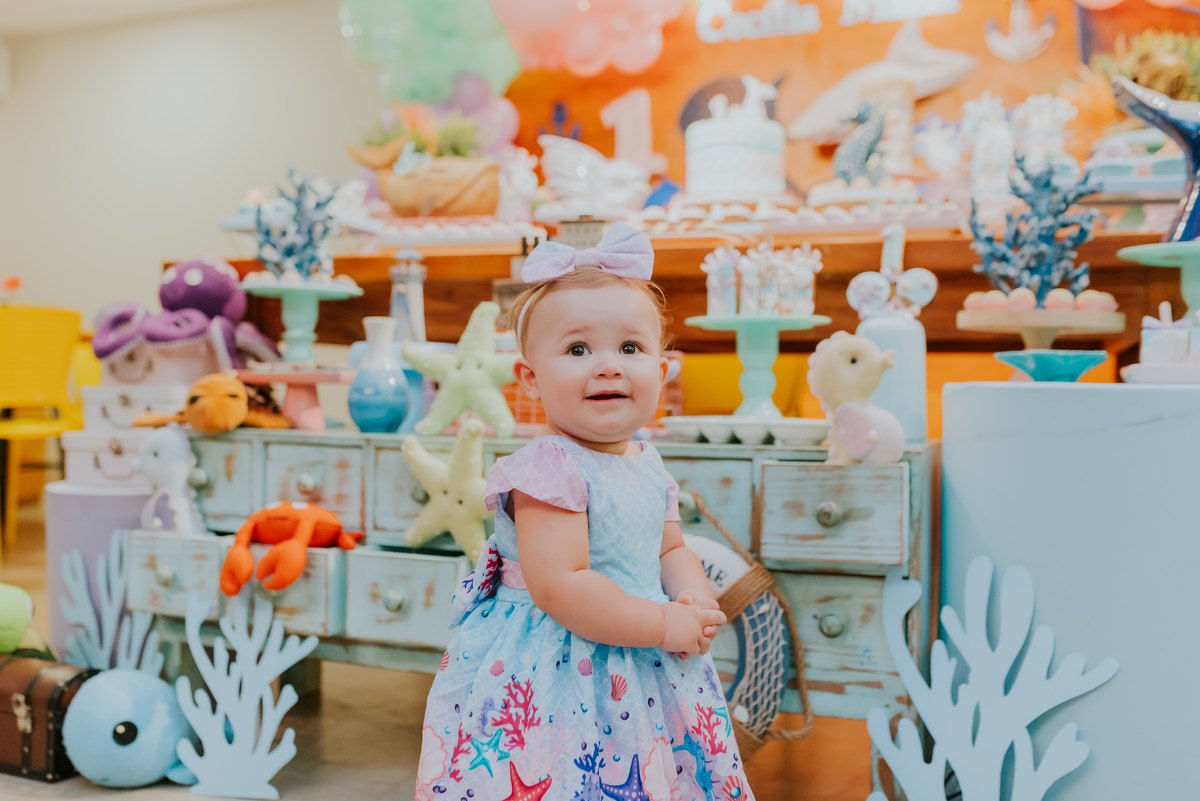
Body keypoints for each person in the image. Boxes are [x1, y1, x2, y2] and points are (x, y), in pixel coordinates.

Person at [416, 222, 753, 801]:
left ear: (663, 371)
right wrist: (663, 624)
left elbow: (670, 548)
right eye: (577, 350)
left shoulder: (649, 463)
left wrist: (694, 598)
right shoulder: (548, 468)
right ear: (531, 380)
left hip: (645, 656)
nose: (608, 365)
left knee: (658, 771)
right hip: (562, 668)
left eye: (630, 348)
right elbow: (562, 587)